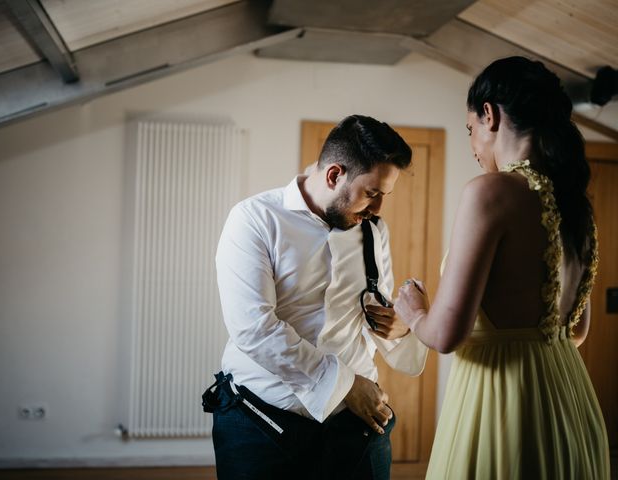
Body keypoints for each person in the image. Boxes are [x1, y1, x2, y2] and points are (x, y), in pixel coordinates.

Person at [394, 56, 610, 479]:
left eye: (471, 130)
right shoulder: (576, 207)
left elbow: (445, 335)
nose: (473, 146)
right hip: (569, 397)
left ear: (489, 115)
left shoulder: (491, 192)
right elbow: (576, 332)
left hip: (502, 400)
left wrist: (414, 311)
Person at [207, 115, 428, 479]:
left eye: (383, 196)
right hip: (261, 422)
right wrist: (344, 386)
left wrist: (400, 326)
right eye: (371, 193)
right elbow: (254, 329)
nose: (377, 209)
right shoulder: (254, 219)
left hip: (356, 426)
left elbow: (377, 307)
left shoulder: (373, 231)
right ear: (334, 175)